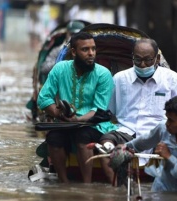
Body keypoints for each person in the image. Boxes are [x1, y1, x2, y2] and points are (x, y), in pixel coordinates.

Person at [99, 38, 177, 183]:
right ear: (132, 58)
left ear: (157, 59)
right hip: (127, 132)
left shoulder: (172, 79)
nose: (142, 65)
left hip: (160, 134)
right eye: (137, 60)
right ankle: (116, 185)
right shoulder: (119, 79)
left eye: (148, 60)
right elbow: (107, 112)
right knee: (105, 141)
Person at [37, 32, 117, 183]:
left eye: (93, 49)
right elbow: (43, 98)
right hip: (65, 122)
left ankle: (86, 184)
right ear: (73, 52)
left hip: (94, 123)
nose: (91, 53)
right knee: (53, 137)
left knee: (83, 136)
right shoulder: (60, 69)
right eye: (85, 50)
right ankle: (64, 183)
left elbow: (98, 110)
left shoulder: (103, 74)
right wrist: (58, 113)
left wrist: (77, 119)